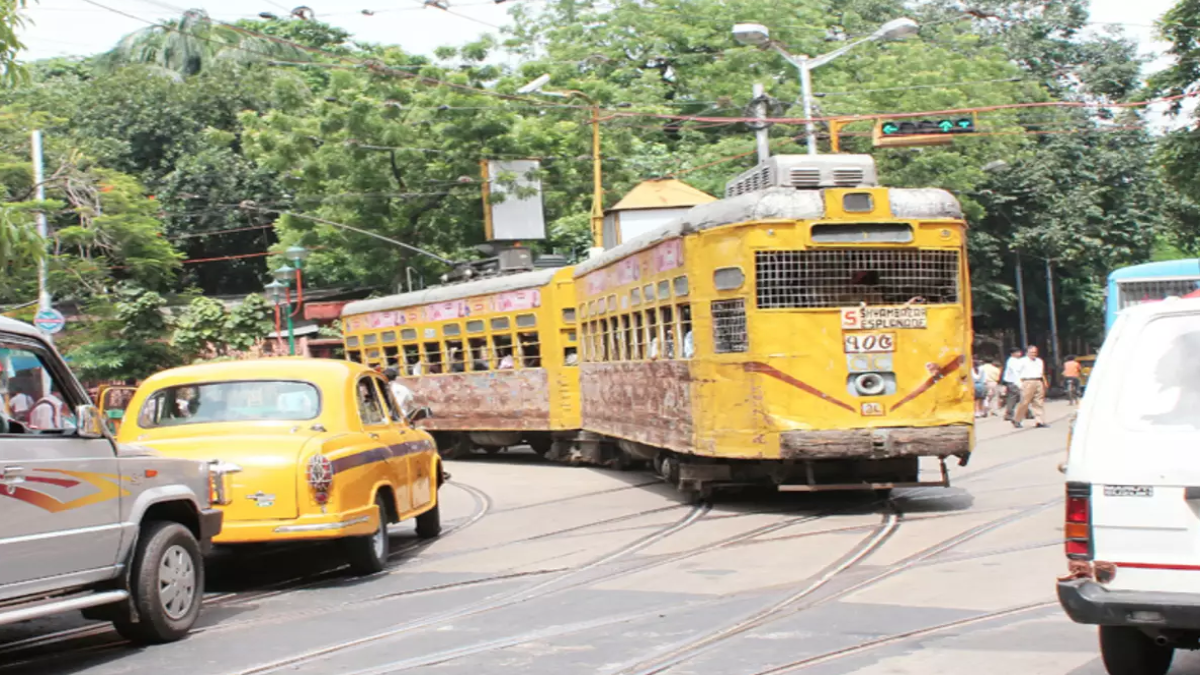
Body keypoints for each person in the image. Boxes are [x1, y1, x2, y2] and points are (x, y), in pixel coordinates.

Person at [1013, 345, 1049, 429]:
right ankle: (1017, 420)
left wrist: (1044, 382)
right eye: (1032, 352)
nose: (1034, 354)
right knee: (1024, 402)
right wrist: (1019, 384)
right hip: (1027, 381)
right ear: (1027, 352)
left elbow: (1041, 372)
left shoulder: (1039, 361)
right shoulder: (1022, 361)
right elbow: (1016, 373)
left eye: (1035, 352)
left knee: (1038, 402)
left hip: (1038, 381)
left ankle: (1039, 420)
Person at [1001, 348, 1024, 421]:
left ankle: (1009, 414)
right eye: (1017, 352)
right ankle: (1026, 412)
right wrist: (1019, 383)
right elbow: (1016, 372)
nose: (1019, 353)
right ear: (1012, 354)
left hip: (1013, 382)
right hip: (1013, 382)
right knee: (1022, 397)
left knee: (1013, 398)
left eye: (1019, 352)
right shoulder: (1012, 361)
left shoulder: (1017, 361)